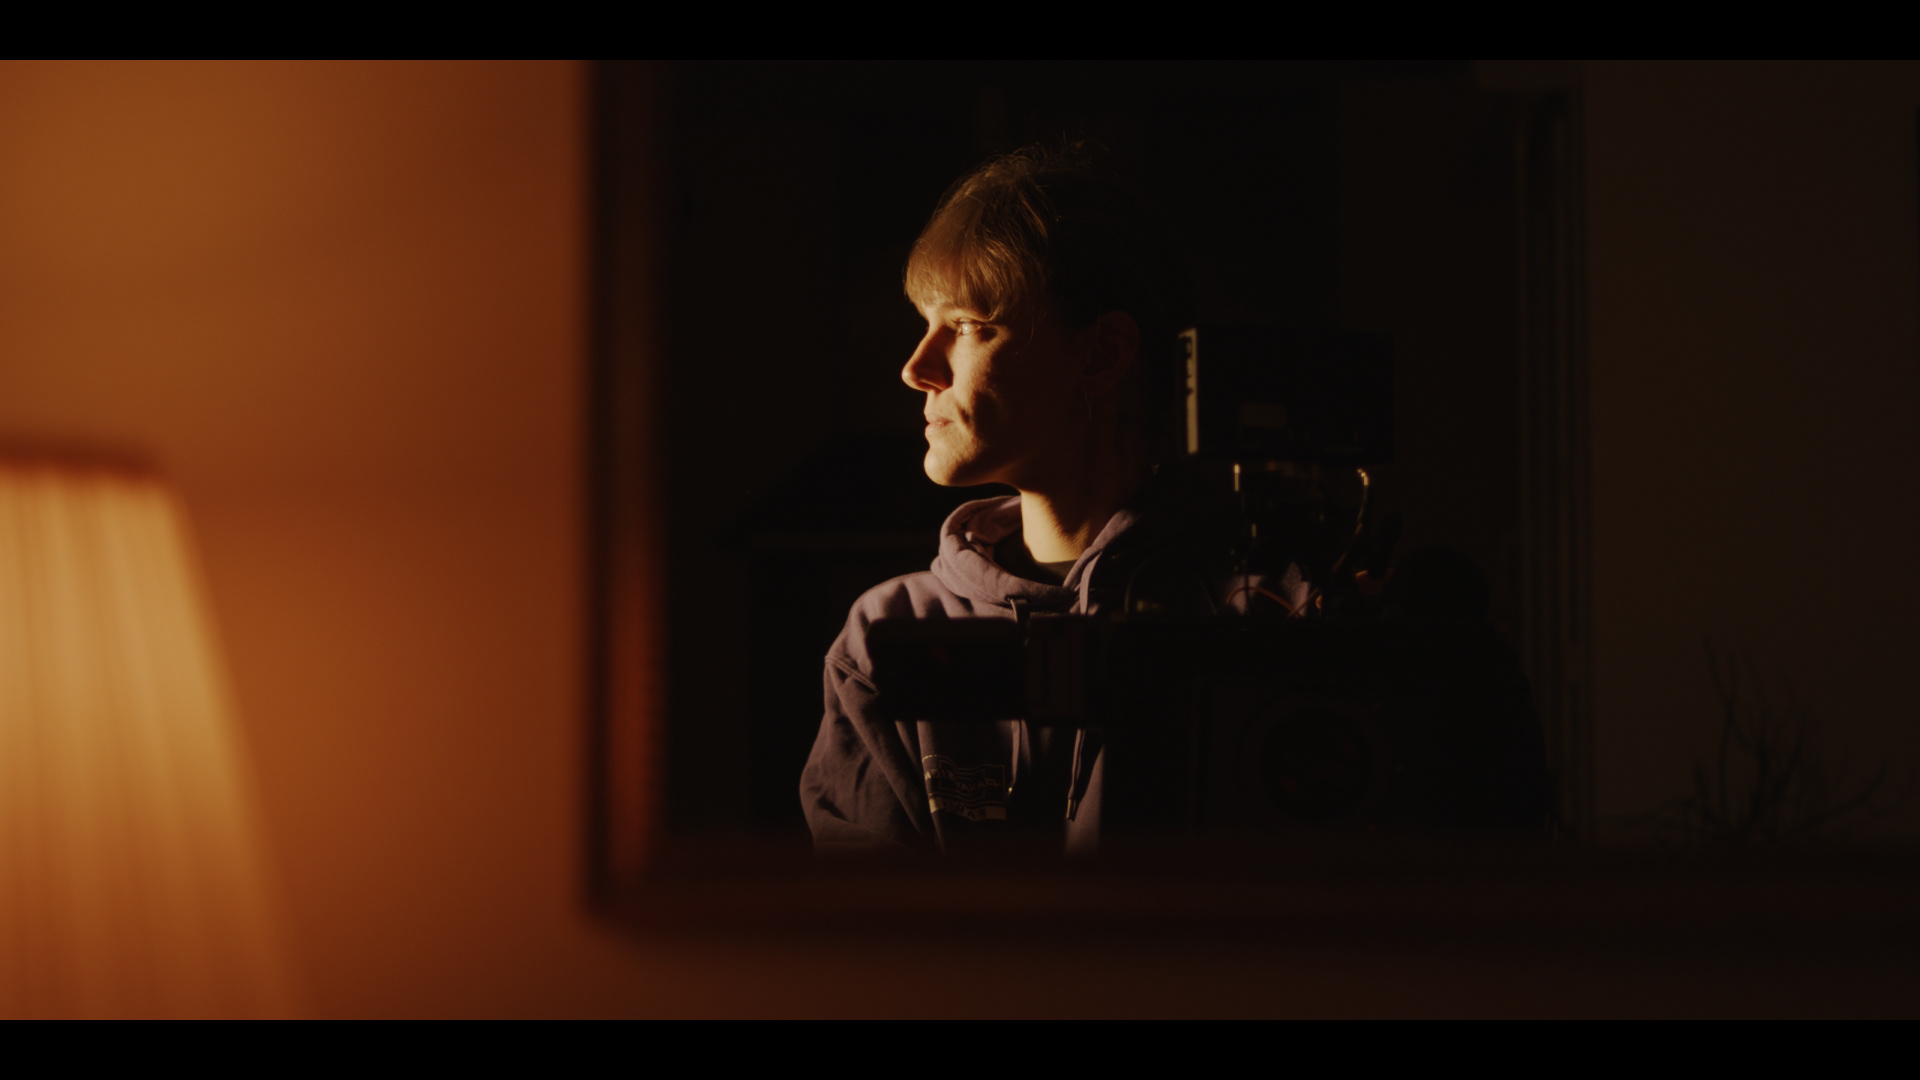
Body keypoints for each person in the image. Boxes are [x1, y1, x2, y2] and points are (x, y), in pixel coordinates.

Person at [798, 145, 1221, 854]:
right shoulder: (890, 636)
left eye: (968, 325)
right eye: (924, 323)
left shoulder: (1257, 619)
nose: (916, 368)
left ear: (1101, 355)